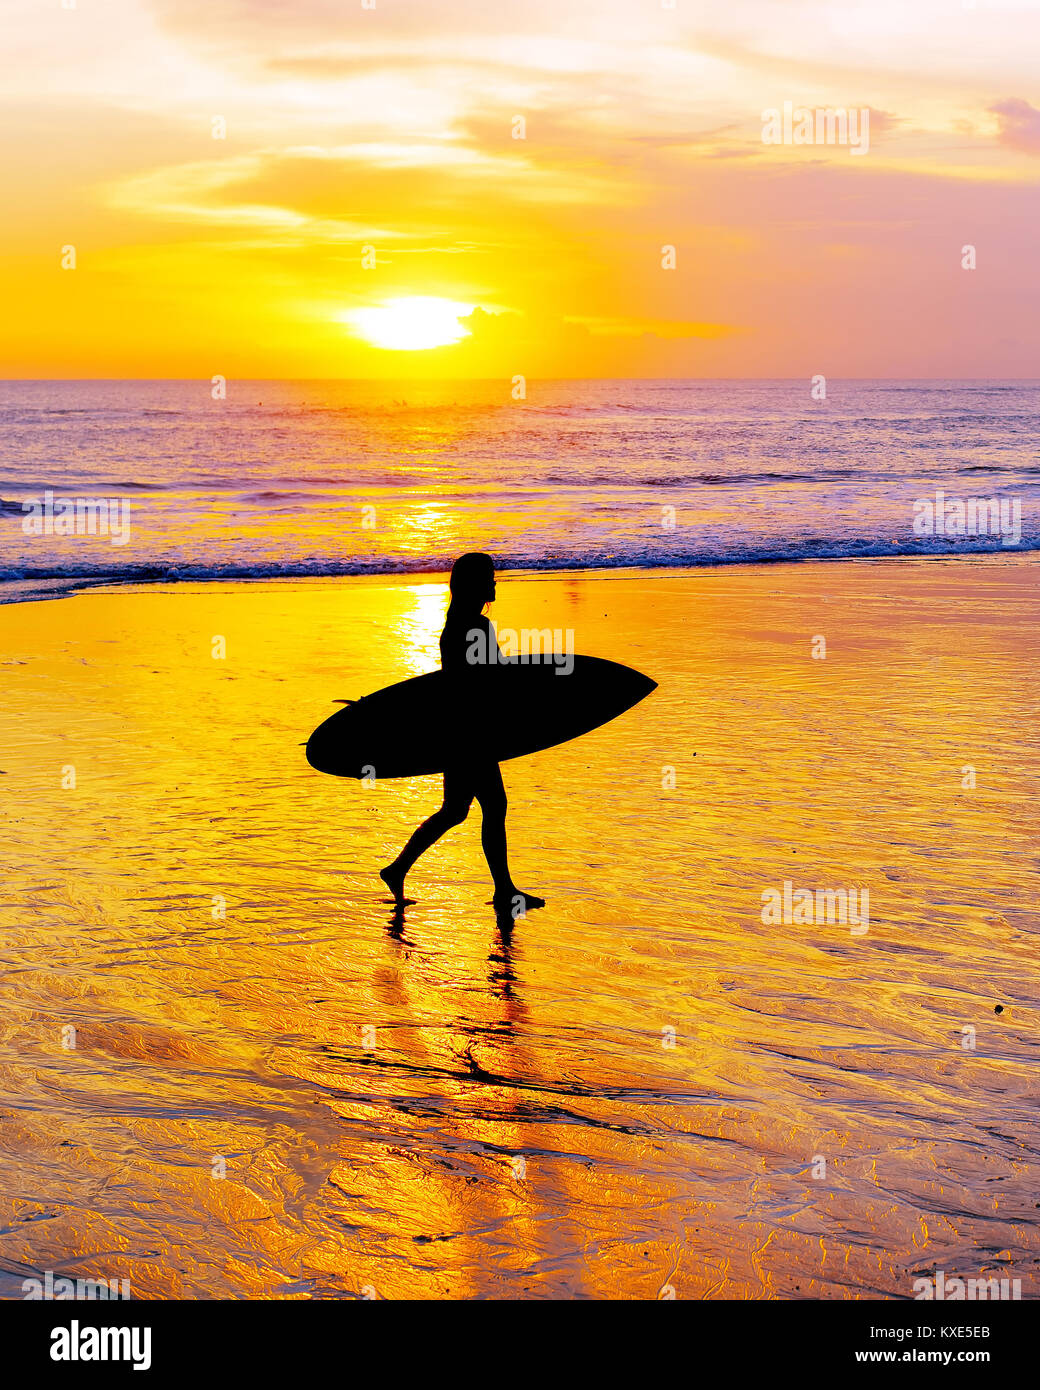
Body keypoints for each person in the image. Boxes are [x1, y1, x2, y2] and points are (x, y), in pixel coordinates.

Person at [380, 553, 545, 917]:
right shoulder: (475, 627)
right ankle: (503, 891)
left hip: (457, 731)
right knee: (489, 806)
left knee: (455, 811)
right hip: (472, 734)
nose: (495, 582)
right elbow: (494, 678)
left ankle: (397, 869)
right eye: (490, 577)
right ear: (475, 585)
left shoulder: (455, 625)